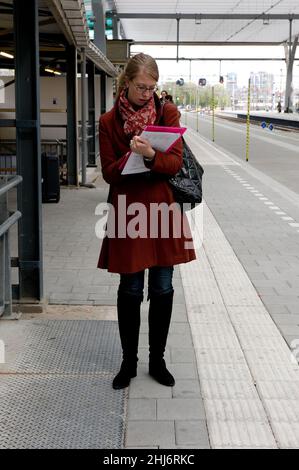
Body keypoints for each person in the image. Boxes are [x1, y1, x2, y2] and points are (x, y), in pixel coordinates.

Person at [97, 53, 196, 390]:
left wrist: (152, 155)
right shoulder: (109, 121)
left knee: (163, 286)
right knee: (130, 288)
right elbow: (109, 172)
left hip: (163, 211)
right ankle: (128, 363)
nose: (146, 93)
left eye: (151, 87)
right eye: (141, 87)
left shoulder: (167, 112)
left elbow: (175, 163)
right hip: (128, 211)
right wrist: (131, 156)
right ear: (126, 83)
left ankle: (158, 360)